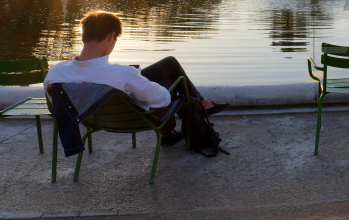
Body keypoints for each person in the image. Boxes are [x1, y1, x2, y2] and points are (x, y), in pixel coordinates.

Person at [44, 10, 223, 146]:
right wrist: (147, 83)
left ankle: (175, 129)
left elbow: (56, 102)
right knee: (172, 86)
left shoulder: (55, 74)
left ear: (83, 36)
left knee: (167, 65)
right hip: (132, 117)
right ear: (111, 36)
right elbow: (162, 99)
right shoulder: (122, 74)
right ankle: (178, 126)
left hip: (92, 117)